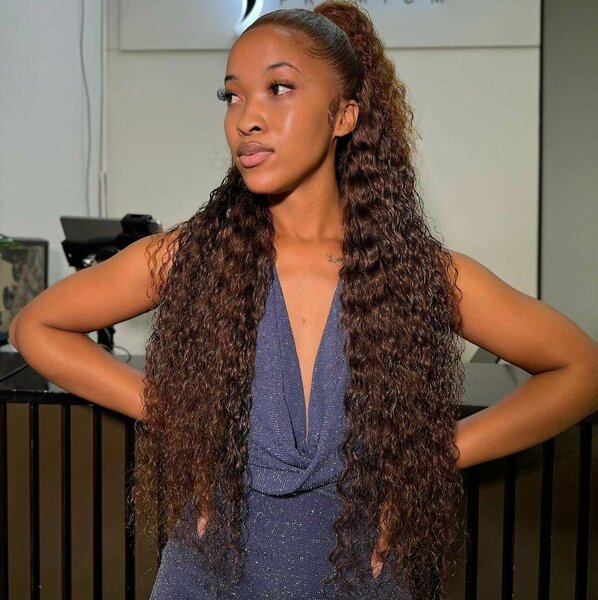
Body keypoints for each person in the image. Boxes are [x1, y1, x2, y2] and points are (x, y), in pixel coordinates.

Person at [9, 1, 598, 599]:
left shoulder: (416, 272)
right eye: (233, 96)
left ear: (343, 115)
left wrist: (433, 455)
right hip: (210, 579)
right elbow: (38, 327)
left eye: (279, 88)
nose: (247, 118)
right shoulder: (195, 255)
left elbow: (580, 369)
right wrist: (177, 412)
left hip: (358, 579)